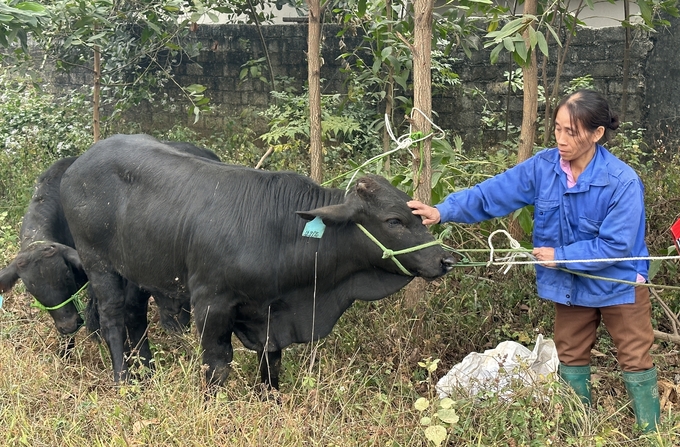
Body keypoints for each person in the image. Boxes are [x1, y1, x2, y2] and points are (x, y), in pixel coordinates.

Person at [408, 89, 660, 433]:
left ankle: (652, 433)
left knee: (634, 357)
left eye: (571, 132)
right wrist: (443, 210)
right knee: (570, 356)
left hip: (620, 284)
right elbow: (492, 194)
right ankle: (579, 431)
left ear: (597, 134)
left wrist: (562, 256)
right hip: (571, 286)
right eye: (557, 129)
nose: (561, 139)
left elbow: (615, 247)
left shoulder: (622, 182)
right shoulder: (543, 167)